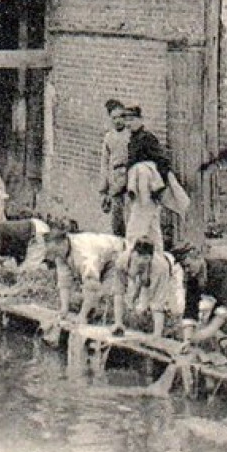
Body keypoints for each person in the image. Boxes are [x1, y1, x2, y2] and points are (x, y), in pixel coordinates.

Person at [43, 229, 128, 330]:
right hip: (102, 256)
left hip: (118, 252)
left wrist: (82, 315)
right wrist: (64, 309)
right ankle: (91, 311)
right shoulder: (60, 253)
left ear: (62, 243)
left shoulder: (84, 255)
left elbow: (92, 287)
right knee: (90, 296)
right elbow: (64, 282)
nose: (54, 256)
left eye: (55, 251)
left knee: (107, 293)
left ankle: (114, 320)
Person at [120, 106, 174, 252]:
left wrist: (158, 188)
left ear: (140, 120)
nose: (128, 123)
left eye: (131, 119)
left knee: (134, 230)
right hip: (139, 190)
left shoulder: (147, 139)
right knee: (152, 230)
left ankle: (129, 259)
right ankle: (159, 258)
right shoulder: (134, 138)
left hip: (146, 191)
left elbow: (163, 161)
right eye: (126, 120)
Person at [120, 239, 185, 339]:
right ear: (133, 253)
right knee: (140, 309)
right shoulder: (124, 259)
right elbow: (136, 284)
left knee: (176, 309)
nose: (140, 260)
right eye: (138, 256)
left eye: (145, 258)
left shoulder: (160, 268)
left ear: (150, 257)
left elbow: (158, 301)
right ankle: (144, 326)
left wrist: (156, 335)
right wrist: (132, 301)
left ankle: (176, 334)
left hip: (172, 271)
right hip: (148, 275)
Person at [98, 100, 132, 237]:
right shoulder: (108, 137)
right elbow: (104, 164)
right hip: (115, 181)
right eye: (114, 118)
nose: (118, 121)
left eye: (121, 116)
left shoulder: (130, 135)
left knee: (130, 217)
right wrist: (103, 190)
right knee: (117, 219)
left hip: (129, 180)